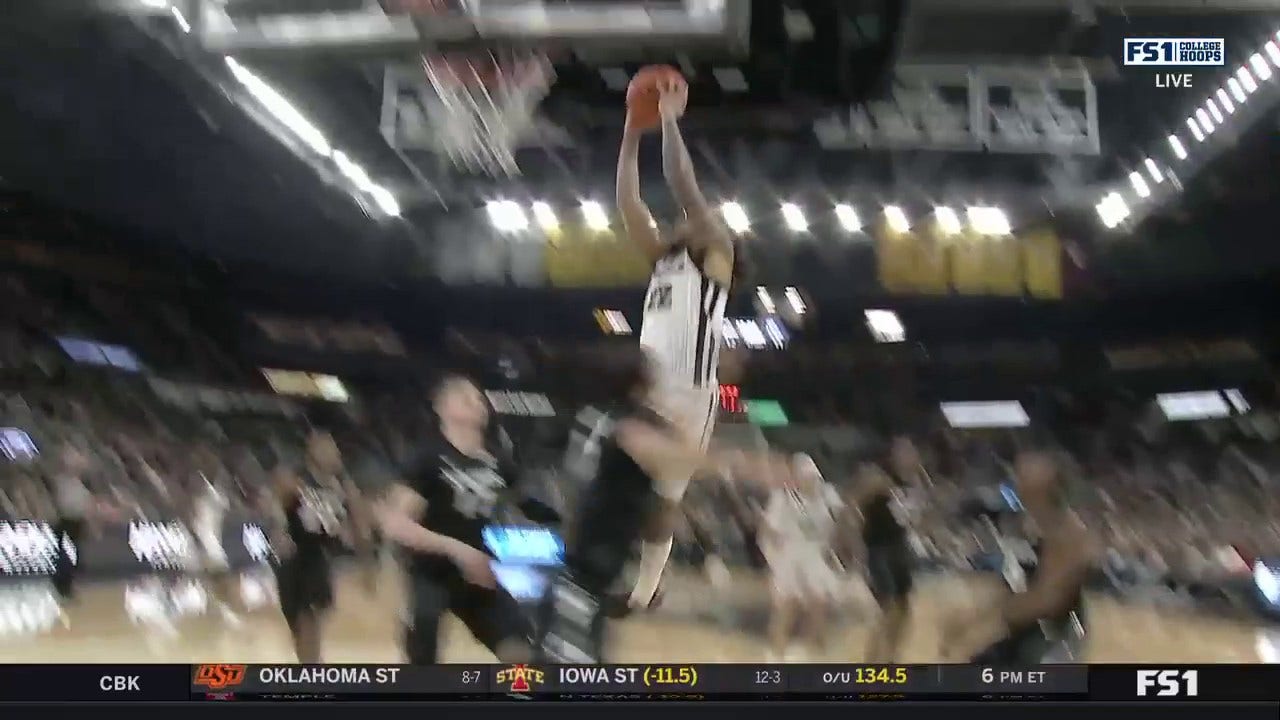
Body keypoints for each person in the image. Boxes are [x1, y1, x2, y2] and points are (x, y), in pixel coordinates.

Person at [534, 348, 778, 663]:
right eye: (653, 380)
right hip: (578, 582)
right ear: (638, 386)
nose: (659, 387)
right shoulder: (628, 429)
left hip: (582, 573)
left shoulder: (594, 415)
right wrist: (761, 468)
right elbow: (682, 457)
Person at [616, 74, 748, 612]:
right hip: (646, 390)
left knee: (664, 503)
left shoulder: (716, 255)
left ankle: (645, 590)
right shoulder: (663, 259)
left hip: (690, 394)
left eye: (692, 218)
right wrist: (630, 131)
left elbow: (679, 180)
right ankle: (631, 577)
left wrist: (668, 116)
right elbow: (628, 200)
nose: (683, 218)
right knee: (618, 483)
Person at [377, 372, 531, 663]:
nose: (477, 403)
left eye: (479, 398)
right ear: (443, 407)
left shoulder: (498, 460)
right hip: (430, 572)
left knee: (520, 647)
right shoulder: (427, 458)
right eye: (466, 398)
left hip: (477, 571)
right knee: (423, 652)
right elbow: (395, 524)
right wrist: (456, 549)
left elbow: (527, 506)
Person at [940, 451, 1094, 663]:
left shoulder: (1069, 534)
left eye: (1022, 479)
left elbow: (1046, 600)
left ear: (1044, 488)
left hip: (1055, 646)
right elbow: (1019, 591)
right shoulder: (1030, 526)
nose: (1016, 484)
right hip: (1027, 636)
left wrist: (974, 622)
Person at [269, 431, 352, 662]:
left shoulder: (341, 485)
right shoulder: (297, 479)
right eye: (327, 448)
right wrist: (279, 529)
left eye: (335, 449)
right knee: (297, 621)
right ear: (312, 452)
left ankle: (314, 667)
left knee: (312, 615)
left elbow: (353, 517)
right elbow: (275, 503)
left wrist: (353, 539)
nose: (334, 453)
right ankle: (309, 664)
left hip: (318, 555)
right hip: (292, 554)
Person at [760, 453, 844, 661]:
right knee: (787, 607)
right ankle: (774, 655)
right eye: (805, 478)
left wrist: (837, 550)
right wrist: (774, 555)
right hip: (790, 554)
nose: (810, 482)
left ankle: (803, 650)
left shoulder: (828, 495)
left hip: (816, 555)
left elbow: (843, 520)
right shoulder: (783, 498)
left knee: (820, 603)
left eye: (813, 478)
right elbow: (767, 530)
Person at [855, 438, 926, 662]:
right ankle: (871, 663)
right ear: (893, 457)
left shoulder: (916, 482)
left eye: (912, 452)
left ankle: (891, 658)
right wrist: (854, 543)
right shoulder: (878, 479)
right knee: (889, 609)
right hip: (877, 549)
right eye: (904, 452)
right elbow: (852, 506)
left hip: (900, 548)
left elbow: (914, 517)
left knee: (904, 609)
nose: (910, 456)